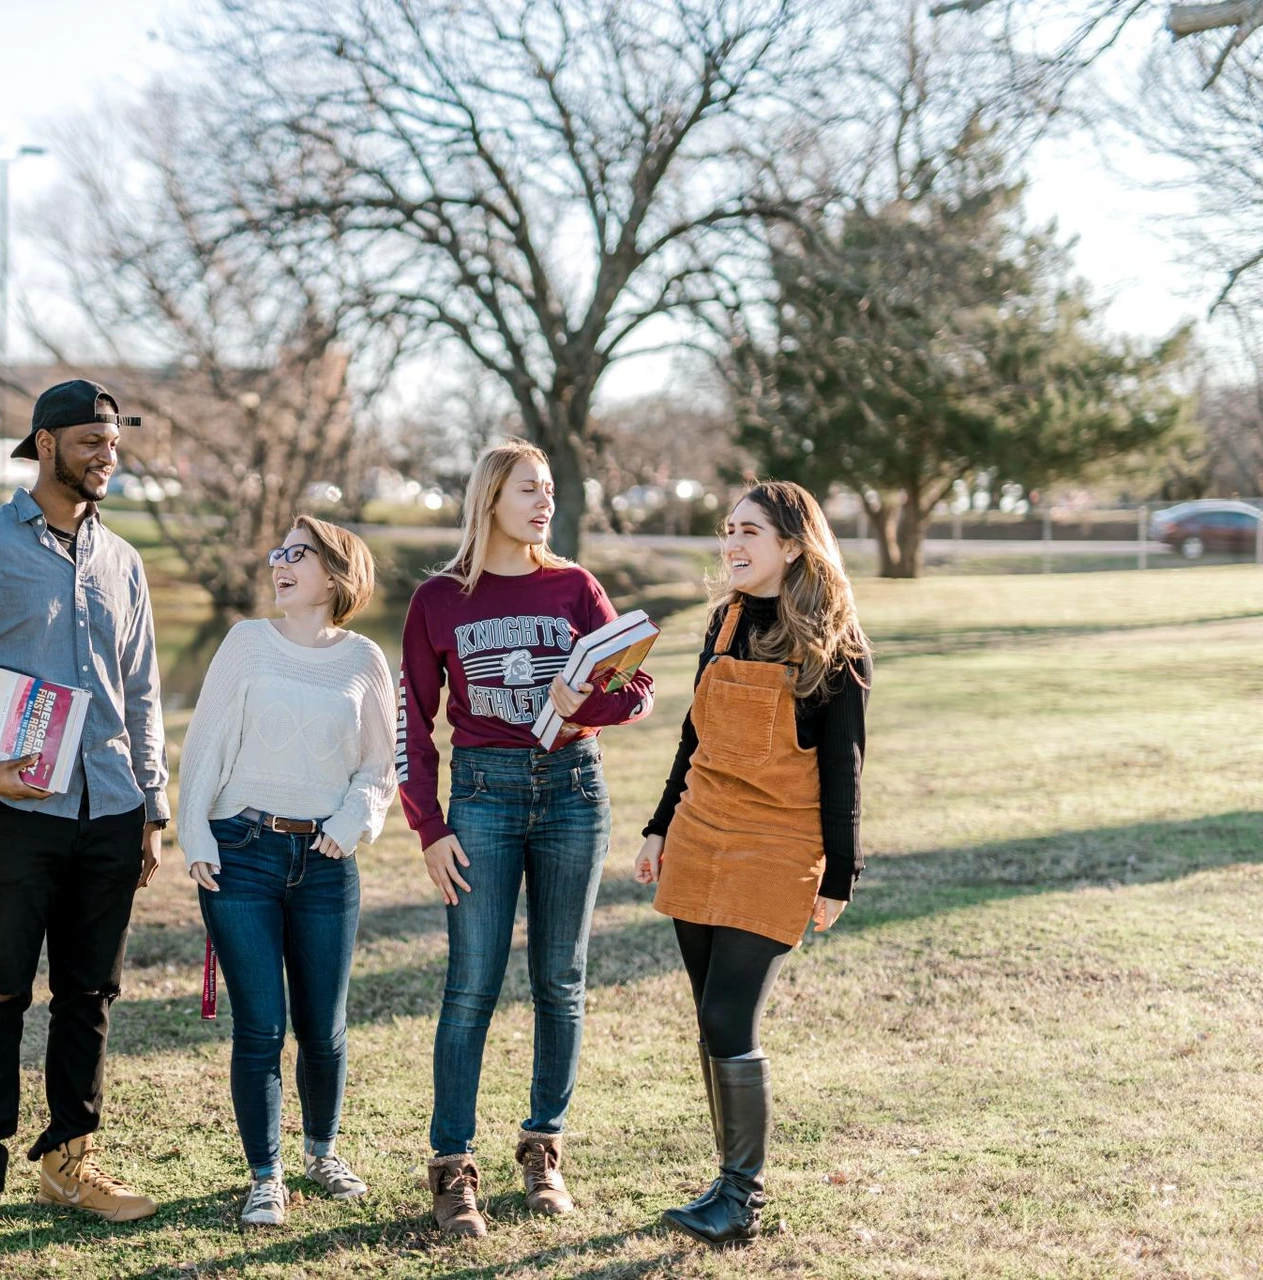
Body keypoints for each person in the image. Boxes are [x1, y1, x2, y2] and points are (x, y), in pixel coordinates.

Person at [0, 379, 170, 1246]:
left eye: (115, 442)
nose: (106, 455)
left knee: (89, 994)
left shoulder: (123, 563)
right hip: (19, 810)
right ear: (45, 445)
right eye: (91, 440)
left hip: (113, 808)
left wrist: (154, 805)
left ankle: (69, 1159)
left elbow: (142, 694)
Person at [398, 440, 656, 1237]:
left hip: (574, 791)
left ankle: (544, 1149)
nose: (543, 502)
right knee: (471, 984)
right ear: (489, 500)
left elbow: (637, 687)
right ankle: (452, 1168)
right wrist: (430, 826)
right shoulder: (439, 599)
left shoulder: (576, 587)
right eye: (526, 490)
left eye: (547, 490)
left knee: (561, 980)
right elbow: (413, 722)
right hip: (481, 797)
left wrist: (584, 702)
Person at [634, 479, 873, 1246]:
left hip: (778, 843)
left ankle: (742, 1198)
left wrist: (839, 875)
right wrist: (659, 825)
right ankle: (726, 1180)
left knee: (728, 1015)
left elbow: (845, 769)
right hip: (702, 829)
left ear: (794, 545)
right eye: (727, 530)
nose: (732, 545)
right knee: (710, 1019)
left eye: (750, 533)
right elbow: (691, 736)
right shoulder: (724, 619)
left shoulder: (837, 644)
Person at [177, 516, 397, 1228]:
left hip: (328, 862)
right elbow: (205, 742)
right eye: (277, 552)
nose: (279, 563)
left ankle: (321, 1151)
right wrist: (194, 835)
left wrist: (350, 821)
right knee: (261, 1027)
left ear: (335, 575)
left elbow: (379, 764)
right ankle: (266, 1176)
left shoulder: (364, 659)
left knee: (323, 1028)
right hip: (240, 853)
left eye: (296, 554)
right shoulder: (246, 643)